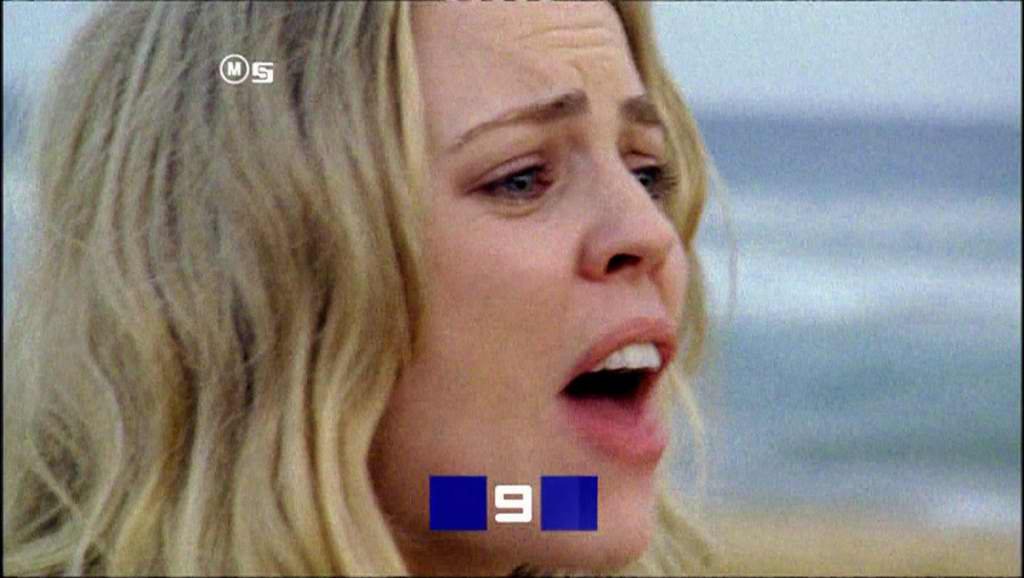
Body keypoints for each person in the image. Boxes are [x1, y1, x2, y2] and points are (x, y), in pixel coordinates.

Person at [3, 2, 715, 575]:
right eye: (522, 178)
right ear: (260, 275)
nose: (650, 233)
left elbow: (476, 503)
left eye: (646, 173)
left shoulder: (478, 502)